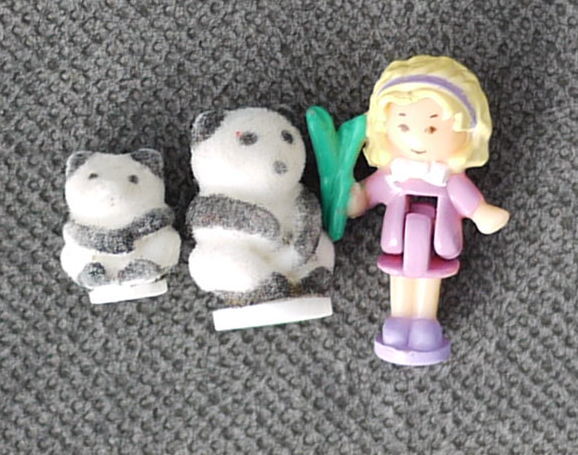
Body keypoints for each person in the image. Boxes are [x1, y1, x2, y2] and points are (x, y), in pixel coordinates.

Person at [348, 55, 510, 365]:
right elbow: (369, 193)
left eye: (432, 127)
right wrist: (355, 201)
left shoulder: (450, 179)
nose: (417, 137)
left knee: (429, 278)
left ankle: (425, 319)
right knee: (399, 276)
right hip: (398, 244)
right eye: (403, 125)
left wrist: (482, 214)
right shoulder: (393, 175)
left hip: (440, 243)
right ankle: (398, 317)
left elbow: (469, 201)